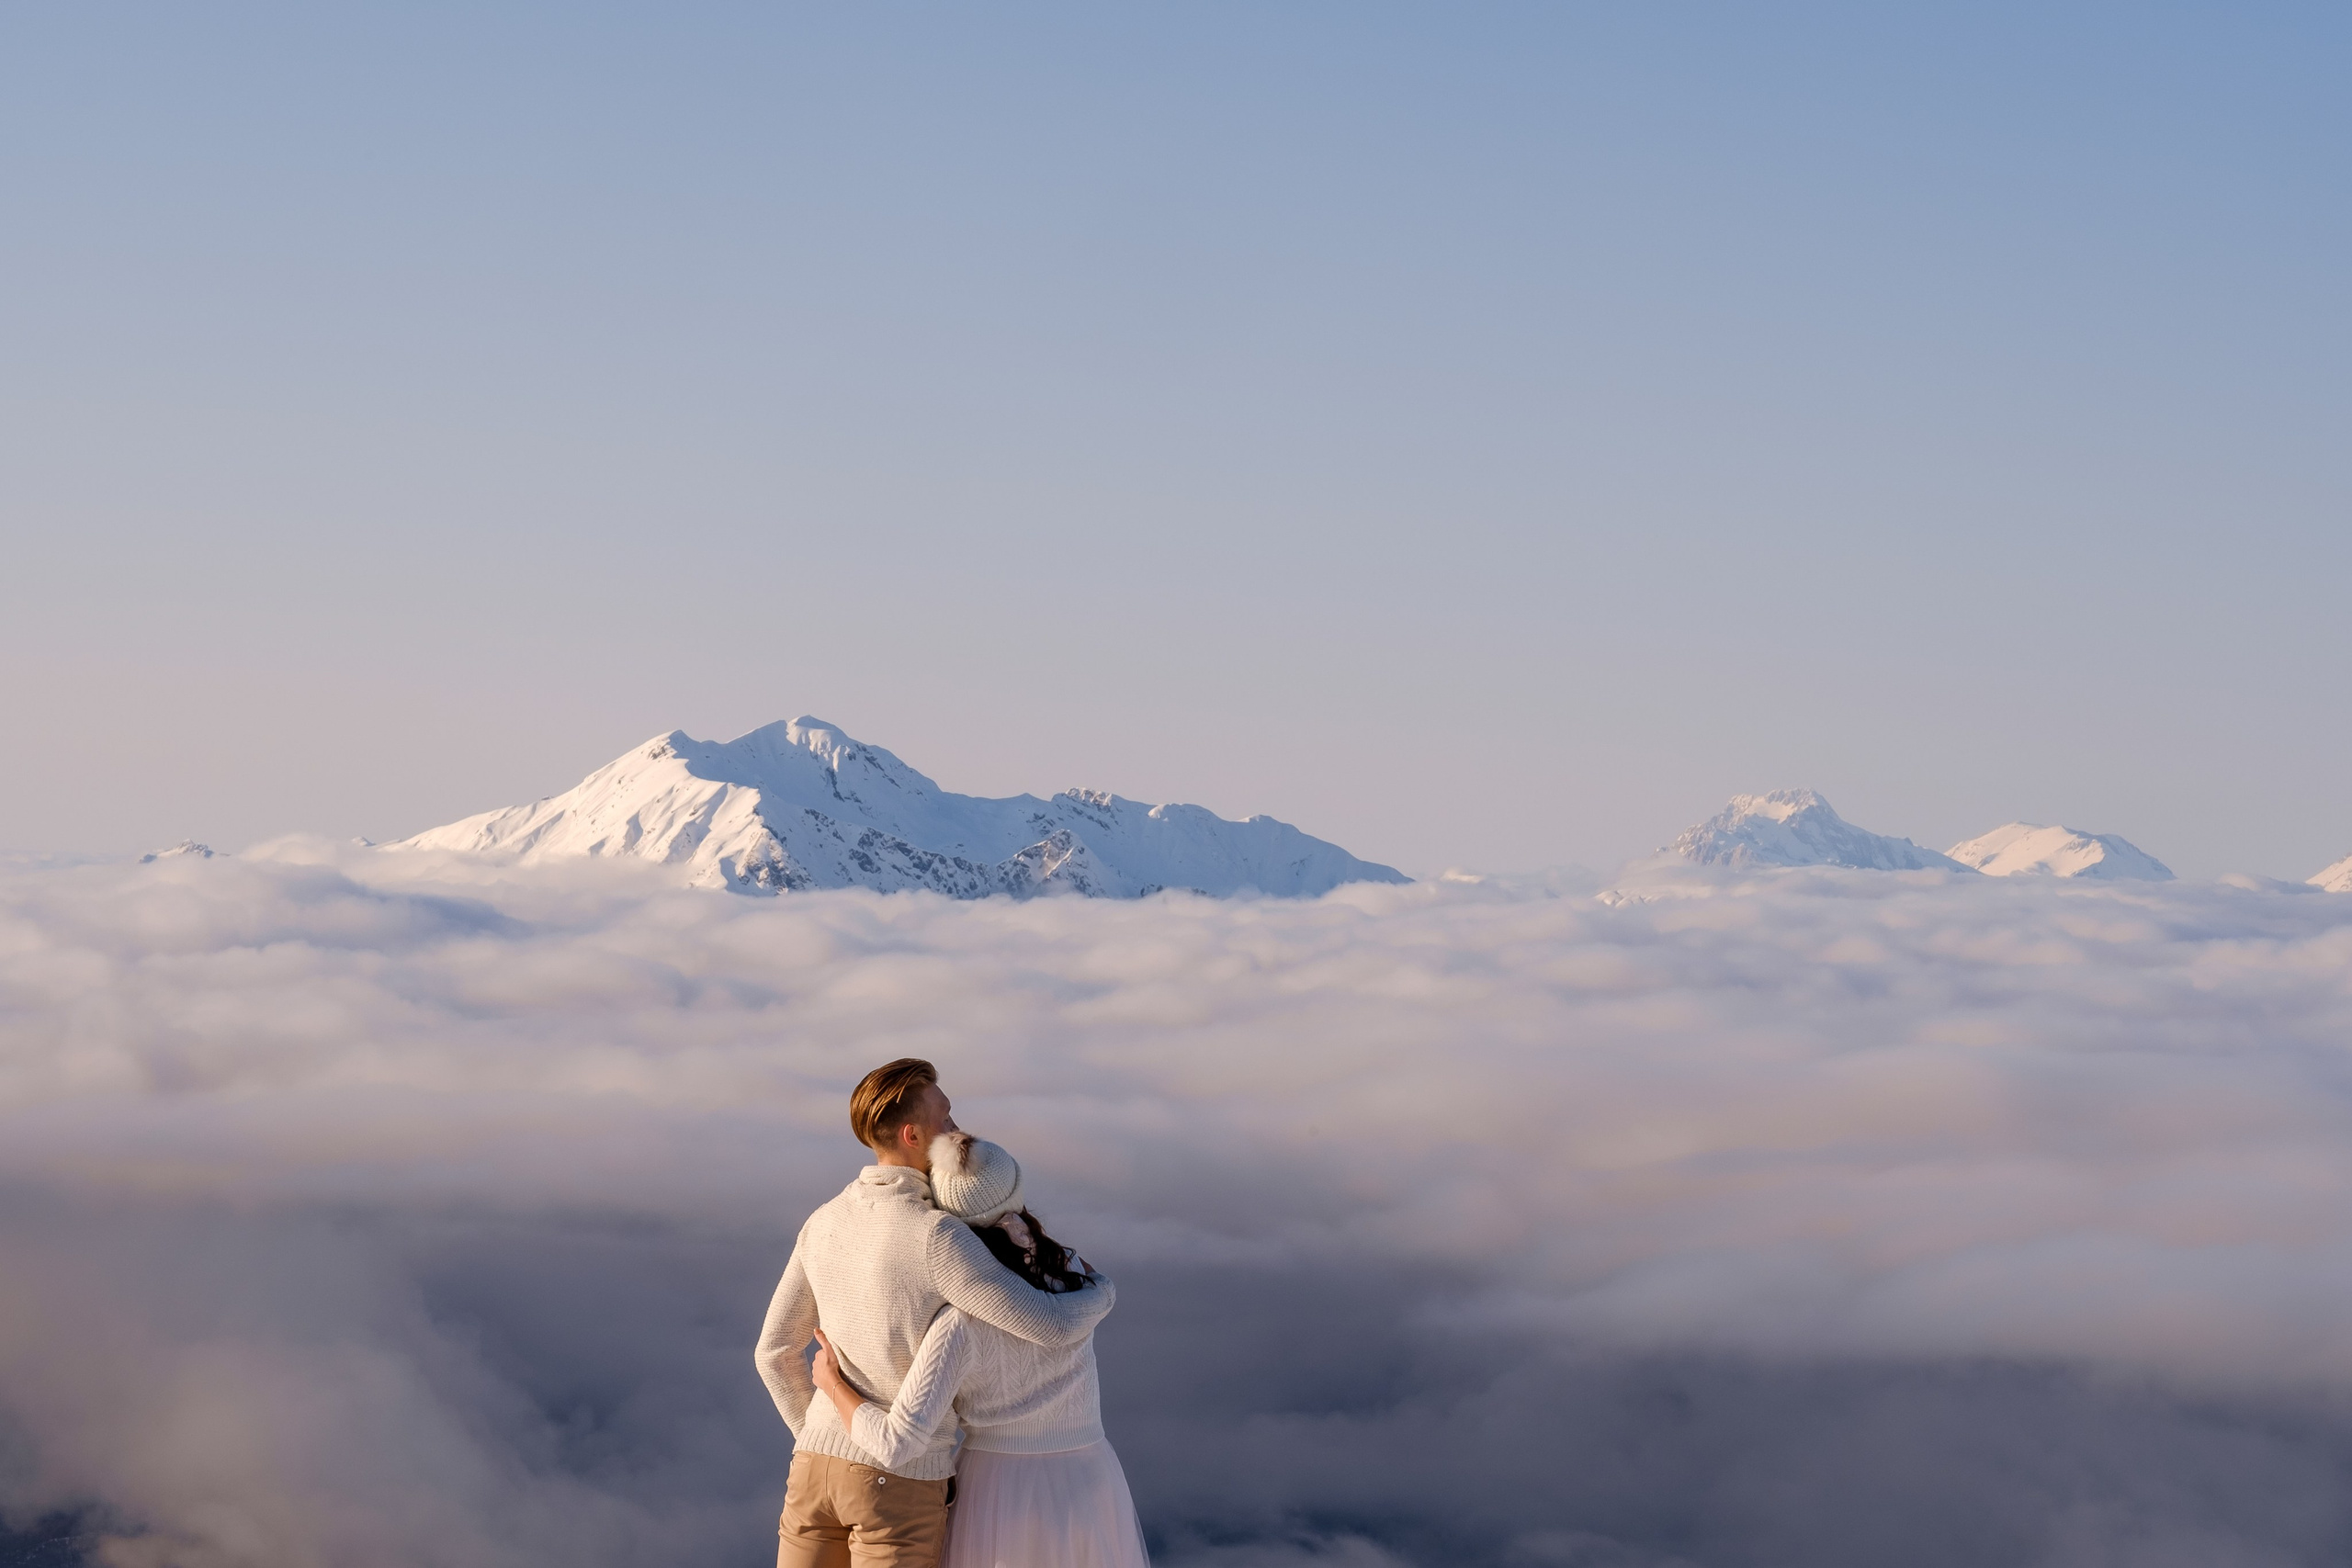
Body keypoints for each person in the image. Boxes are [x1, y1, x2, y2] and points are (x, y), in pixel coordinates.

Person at [756, 1060, 1117, 1568]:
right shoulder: (936, 1237)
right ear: (912, 1135)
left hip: (812, 1467)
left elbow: (773, 1354)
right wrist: (1102, 1291)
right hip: (897, 1481)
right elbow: (1050, 1327)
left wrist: (825, 1443)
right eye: (946, 1119)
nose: (956, 1131)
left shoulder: (822, 1221)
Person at [810, 1132, 1149, 1568]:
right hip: (1091, 1479)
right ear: (1016, 1191)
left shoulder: (960, 1321)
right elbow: (1083, 1302)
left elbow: (896, 1445)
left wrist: (831, 1383)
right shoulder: (1071, 1275)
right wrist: (1104, 1290)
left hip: (1000, 1492)